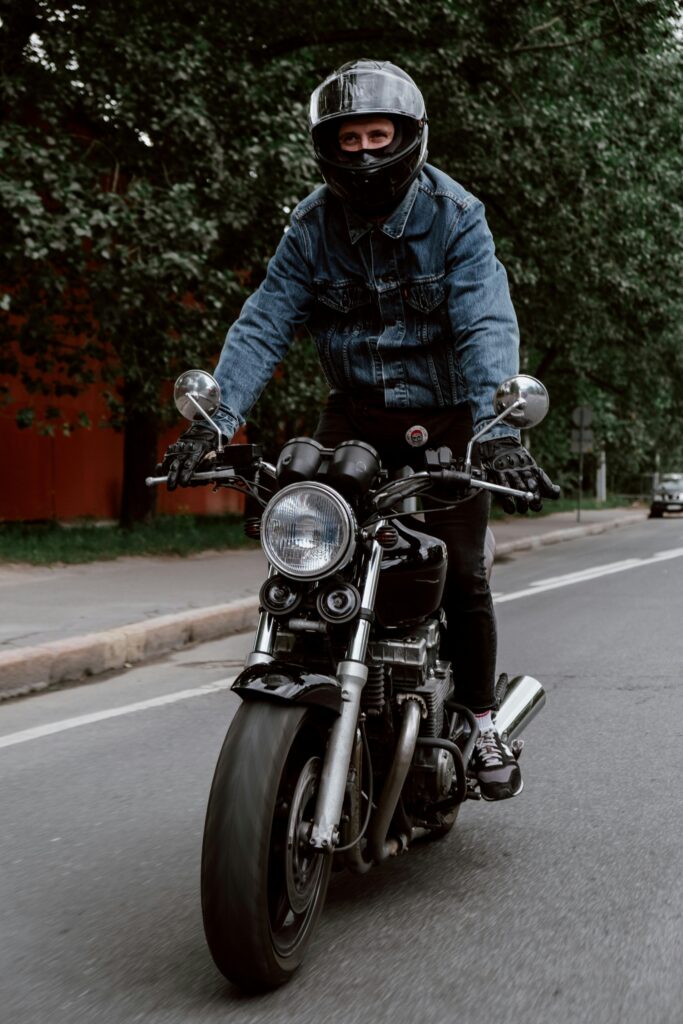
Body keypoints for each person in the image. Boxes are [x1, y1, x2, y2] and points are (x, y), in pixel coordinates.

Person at [163, 59, 559, 800]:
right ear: (327, 146)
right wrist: (214, 421)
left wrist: (497, 430)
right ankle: (314, 677)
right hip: (353, 416)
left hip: (448, 418)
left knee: (461, 571)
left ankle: (479, 719)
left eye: (379, 135)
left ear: (409, 137)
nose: (366, 153)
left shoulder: (455, 217)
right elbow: (265, 320)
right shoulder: (312, 224)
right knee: (306, 558)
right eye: (349, 138)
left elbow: (482, 322)